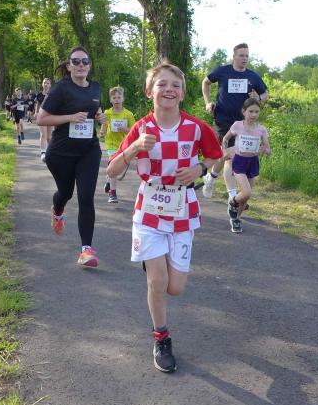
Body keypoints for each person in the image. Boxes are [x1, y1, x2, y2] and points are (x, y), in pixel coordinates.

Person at [107, 61, 222, 373]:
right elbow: (113, 170)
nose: (168, 89)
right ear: (149, 92)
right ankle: (161, 337)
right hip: (148, 210)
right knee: (157, 281)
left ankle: (153, 262)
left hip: (183, 211)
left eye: (175, 85)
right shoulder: (141, 128)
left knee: (175, 288)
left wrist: (199, 168)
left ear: (182, 93)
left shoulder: (196, 128)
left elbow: (216, 157)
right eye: (162, 84)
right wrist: (133, 148)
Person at [36, 48, 106, 267]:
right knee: (65, 193)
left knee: (86, 197)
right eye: (76, 61)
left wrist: (100, 116)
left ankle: (86, 250)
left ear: (90, 65)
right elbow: (41, 119)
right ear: (69, 66)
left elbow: (94, 109)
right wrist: (70, 118)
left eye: (85, 61)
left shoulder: (96, 87)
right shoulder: (61, 88)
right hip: (61, 153)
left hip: (88, 150)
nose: (81, 65)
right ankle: (57, 210)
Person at [201, 43, 268, 203]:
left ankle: (213, 179)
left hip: (243, 124)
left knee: (228, 155)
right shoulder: (222, 71)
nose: (244, 59)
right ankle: (230, 195)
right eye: (241, 55)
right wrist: (208, 102)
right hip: (223, 119)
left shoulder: (253, 77)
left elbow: (266, 94)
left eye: (247, 56)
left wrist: (259, 97)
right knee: (228, 155)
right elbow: (206, 82)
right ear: (234, 57)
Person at [221, 97, 271, 234]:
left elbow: (268, 149)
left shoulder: (261, 130)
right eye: (251, 111)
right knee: (246, 192)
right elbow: (225, 139)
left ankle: (236, 218)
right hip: (239, 161)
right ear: (244, 111)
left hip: (253, 162)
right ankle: (233, 202)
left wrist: (265, 150)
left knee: (246, 198)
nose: (254, 115)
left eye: (256, 112)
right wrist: (225, 151)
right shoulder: (237, 125)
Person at [99, 85, 136, 203]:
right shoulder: (107, 112)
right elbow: (104, 125)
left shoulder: (128, 114)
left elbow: (134, 130)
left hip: (124, 145)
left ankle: (109, 180)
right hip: (111, 145)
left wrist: (125, 129)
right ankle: (112, 193)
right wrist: (102, 132)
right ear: (110, 100)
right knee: (114, 167)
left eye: (119, 97)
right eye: (114, 97)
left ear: (123, 99)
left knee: (119, 171)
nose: (116, 99)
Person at [35, 78, 52, 163]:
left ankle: (50, 151)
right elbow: (37, 104)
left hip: (50, 116)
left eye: (47, 83)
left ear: (50, 85)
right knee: (43, 134)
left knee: (49, 137)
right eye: (44, 83)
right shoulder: (39, 94)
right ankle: (43, 153)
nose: (46, 84)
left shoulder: (53, 94)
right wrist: (36, 112)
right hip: (41, 116)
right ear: (42, 84)